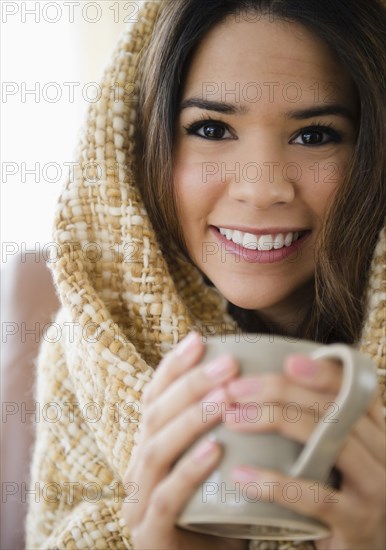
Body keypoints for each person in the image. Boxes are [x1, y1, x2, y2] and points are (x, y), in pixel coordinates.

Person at [25, 1, 385, 548]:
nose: (262, 188)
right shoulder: (90, 354)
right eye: (212, 128)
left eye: (315, 135)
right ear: (141, 147)